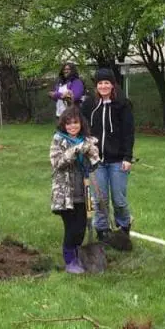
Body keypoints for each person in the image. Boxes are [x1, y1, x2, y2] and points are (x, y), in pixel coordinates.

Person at [81, 67, 135, 241]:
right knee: (99, 200)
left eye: (107, 83)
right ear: (96, 86)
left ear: (112, 85)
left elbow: (128, 133)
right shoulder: (89, 104)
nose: (103, 86)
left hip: (118, 160)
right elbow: (80, 125)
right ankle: (102, 230)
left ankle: (124, 225)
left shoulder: (123, 104)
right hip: (96, 161)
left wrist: (127, 157)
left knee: (119, 200)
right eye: (100, 83)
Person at [50, 106, 101, 274]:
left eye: (75, 123)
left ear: (81, 124)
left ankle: (78, 255)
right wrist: (76, 150)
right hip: (65, 194)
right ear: (63, 125)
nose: (72, 126)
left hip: (83, 191)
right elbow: (57, 163)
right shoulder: (58, 140)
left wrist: (92, 152)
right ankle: (70, 261)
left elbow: (94, 164)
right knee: (71, 228)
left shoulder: (85, 140)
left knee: (81, 227)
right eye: (69, 123)